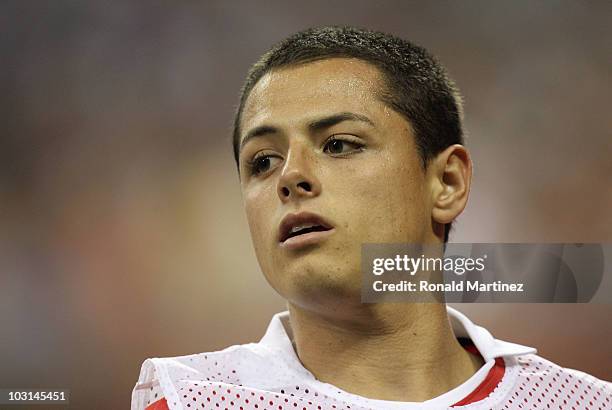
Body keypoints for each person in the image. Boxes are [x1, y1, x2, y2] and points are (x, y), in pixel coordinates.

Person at [131, 26, 611, 410]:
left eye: (339, 144)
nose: (290, 177)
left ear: (447, 183)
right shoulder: (194, 401)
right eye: (263, 161)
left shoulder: (583, 403)